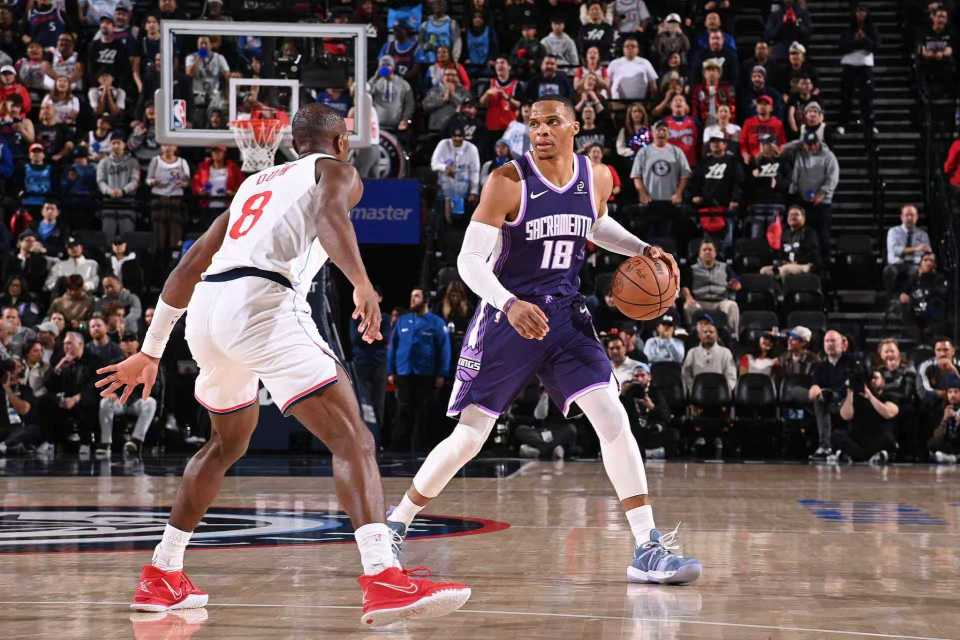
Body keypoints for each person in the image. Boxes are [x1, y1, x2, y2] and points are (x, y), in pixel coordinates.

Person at [94, 103, 470, 624]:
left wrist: (152, 349)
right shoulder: (336, 170)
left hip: (207, 311)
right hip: (263, 302)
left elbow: (188, 265)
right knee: (353, 439)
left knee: (225, 443)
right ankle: (384, 578)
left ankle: (162, 572)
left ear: (292, 144)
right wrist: (362, 283)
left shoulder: (252, 185)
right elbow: (331, 217)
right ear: (341, 143)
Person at [386, 95, 700, 586]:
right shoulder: (508, 181)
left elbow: (595, 223)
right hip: (507, 317)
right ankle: (396, 523)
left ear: (574, 127)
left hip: (565, 316)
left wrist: (641, 248)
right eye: (534, 123)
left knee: (613, 417)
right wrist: (509, 303)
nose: (541, 131)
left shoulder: (597, 177)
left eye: (552, 122)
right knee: (470, 437)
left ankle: (647, 545)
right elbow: (468, 262)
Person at [386, 288, 451, 451]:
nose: (412, 299)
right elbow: (393, 346)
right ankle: (399, 449)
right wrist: (390, 371)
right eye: (411, 296)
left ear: (426, 300)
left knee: (424, 413)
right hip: (404, 373)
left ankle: (421, 448)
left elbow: (444, 349)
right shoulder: (403, 321)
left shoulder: (437, 322)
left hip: (426, 374)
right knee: (403, 411)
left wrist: (442, 373)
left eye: (416, 296)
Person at [629, 119, 690, 245]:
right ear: (652, 132)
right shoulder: (644, 152)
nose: (661, 133)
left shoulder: (676, 151)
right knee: (648, 239)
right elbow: (636, 176)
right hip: (650, 202)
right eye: (658, 130)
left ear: (668, 133)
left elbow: (685, 175)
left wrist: (679, 193)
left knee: (671, 238)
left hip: (671, 202)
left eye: (664, 130)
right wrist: (642, 193)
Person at [98, 333, 159, 458]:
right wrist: (110, 393)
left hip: (137, 401)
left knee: (151, 402)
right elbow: (105, 384)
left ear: (137, 344)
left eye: (131, 340)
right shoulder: (114, 363)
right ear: (120, 345)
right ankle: (105, 443)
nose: (128, 343)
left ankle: (136, 441)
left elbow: (156, 387)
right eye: (125, 340)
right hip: (119, 401)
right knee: (104, 402)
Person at [789, 131, 839, 257]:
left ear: (818, 142)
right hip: (804, 202)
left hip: (822, 203)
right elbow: (796, 174)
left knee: (823, 235)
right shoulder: (800, 155)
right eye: (809, 144)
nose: (812, 147)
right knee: (804, 236)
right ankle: (806, 262)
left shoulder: (829, 156)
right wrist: (793, 192)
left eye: (814, 144)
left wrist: (822, 193)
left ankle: (825, 263)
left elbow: (832, 178)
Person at [808, 330, 856, 462]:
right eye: (827, 341)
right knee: (820, 398)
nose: (829, 344)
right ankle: (825, 447)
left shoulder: (852, 362)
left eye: (833, 341)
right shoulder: (819, 366)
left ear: (842, 344)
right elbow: (815, 386)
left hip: (850, 401)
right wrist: (815, 388)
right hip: (830, 402)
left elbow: (856, 384)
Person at [834, 370, 899, 464]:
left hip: (877, 438)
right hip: (857, 439)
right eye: (870, 379)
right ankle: (868, 456)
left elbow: (888, 413)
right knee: (837, 435)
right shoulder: (856, 397)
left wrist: (871, 397)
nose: (872, 381)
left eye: (876, 378)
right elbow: (846, 416)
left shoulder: (889, 396)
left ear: (883, 381)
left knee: (889, 438)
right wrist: (850, 391)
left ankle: (855, 456)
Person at [682, 239, 741, 337]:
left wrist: (735, 285)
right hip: (700, 301)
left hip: (721, 302)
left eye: (710, 249)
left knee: (732, 306)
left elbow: (737, 284)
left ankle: (733, 336)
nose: (707, 252)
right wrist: (688, 297)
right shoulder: (692, 269)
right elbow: (684, 286)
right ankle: (693, 335)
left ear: (715, 253)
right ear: (699, 254)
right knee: (688, 306)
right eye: (704, 250)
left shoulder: (725, 267)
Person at [837, 4, 879, 137]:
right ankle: (842, 124)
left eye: (863, 12)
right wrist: (855, 41)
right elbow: (841, 46)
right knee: (846, 97)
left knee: (867, 98)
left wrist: (864, 39)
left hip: (865, 66)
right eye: (858, 11)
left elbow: (876, 46)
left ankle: (870, 125)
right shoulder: (848, 29)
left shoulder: (872, 29)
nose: (861, 14)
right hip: (849, 65)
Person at [146, 144, 191, 255]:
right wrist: (153, 182)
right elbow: (148, 179)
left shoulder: (182, 162)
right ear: (161, 147)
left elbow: (187, 181)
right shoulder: (155, 160)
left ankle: (174, 256)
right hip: (159, 198)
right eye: (165, 145)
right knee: (159, 233)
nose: (168, 148)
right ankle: (159, 256)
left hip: (176, 199)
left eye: (170, 145)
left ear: (175, 147)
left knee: (175, 230)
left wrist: (183, 183)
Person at [431, 126, 481, 222]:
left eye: (460, 136)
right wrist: (445, 168)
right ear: (451, 136)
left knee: (459, 217)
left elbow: (475, 171)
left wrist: (474, 191)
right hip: (445, 186)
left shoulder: (471, 149)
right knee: (440, 215)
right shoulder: (443, 144)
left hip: (462, 189)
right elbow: (434, 164)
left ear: (464, 137)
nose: (457, 139)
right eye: (455, 136)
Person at [899, 252, 949, 342]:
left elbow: (939, 294)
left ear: (935, 264)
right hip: (915, 315)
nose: (928, 263)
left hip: (932, 315)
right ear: (920, 262)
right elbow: (905, 291)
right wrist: (904, 295)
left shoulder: (940, 279)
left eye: (931, 261)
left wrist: (914, 298)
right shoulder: (914, 277)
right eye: (925, 260)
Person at [97, 137, 141, 238]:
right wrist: (109, 191)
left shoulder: (133, 162)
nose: (116, 146)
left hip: (127, 202)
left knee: (127, 236)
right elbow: (100, 181)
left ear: (124, 144)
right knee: (107, 236)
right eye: (113, 143)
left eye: (118, 143)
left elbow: (135, 181)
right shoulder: (103, 162)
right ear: (110, 145)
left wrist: (123, 191)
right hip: (108, 203)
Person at [883, 204, 931, 296]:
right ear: (901, 217)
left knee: (915, 271)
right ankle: (892, 298)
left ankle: (906, 297)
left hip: (914, 263)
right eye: (906, 215)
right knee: (888, 271)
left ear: (916, 217)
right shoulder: (893, 232)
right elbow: (896, 250)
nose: (909, 218)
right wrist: (916, 248)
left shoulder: (923, 234)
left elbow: (927, 252)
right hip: (896, 263)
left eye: (912, 215)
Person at [760, 205, 821, 277]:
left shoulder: (809, 232)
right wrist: (782, 261)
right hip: (788, 264)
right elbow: (781, 252)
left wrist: (796, 262)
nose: (793, 217)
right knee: (764, 270)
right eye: (790, 215)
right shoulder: (785, 233)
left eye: (796, 215)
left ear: (803, 218)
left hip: (806, 265)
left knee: (785, 270)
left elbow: (811, 253)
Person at [682, 317, 737, 392]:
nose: (708, 334)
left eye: (711, 332)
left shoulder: (726, 352)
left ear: (717, 336)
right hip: (697, 394)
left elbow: (731, 376)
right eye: (705, 332)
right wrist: (694, 389)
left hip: (720, 394)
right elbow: (685, 374)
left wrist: (724, 391)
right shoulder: (692, 352)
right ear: (699, 336)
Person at [740, 95, 787, 164]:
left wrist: (779, 152)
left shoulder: (777, 123)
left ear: (771, 108)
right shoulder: (748, 122)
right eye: (760, 104)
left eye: (765, 104)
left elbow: (782, 143)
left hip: (772, 159)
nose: (762, 106)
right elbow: (743, 142)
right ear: (756, 107)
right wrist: (745, 154)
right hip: (753, 160)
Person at [929, 374, 960, 463]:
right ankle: (953, 458)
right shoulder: (943, 408)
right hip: (951, 444)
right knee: (932, 443)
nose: (952, 395)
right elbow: (937, 435)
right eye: (950, 392)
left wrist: (958, 420)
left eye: (956, 392)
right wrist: (944, 419)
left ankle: (952, 458)